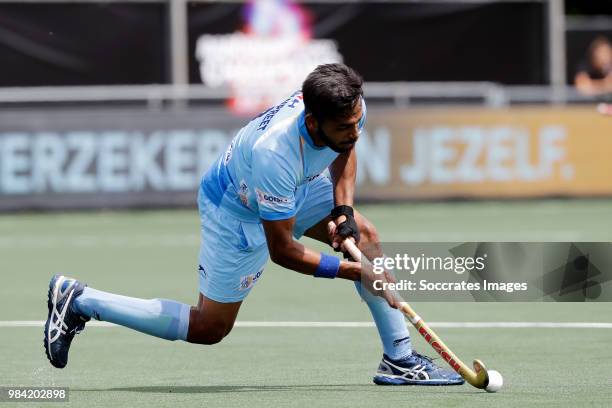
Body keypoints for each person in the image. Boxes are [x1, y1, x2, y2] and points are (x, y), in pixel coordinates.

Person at [44, 63, 463, 386]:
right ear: (313, 121)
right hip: (235, 206)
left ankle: (400, 359)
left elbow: (345, 151)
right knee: (211, 327)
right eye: (344, 126)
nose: (354, 130)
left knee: (367, 236)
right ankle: (80, 300)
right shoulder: (275, 152)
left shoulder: (346, 107)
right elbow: (283, 250)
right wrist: (357, 271)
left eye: (357, 122)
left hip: (295, 186)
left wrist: (345, 215)